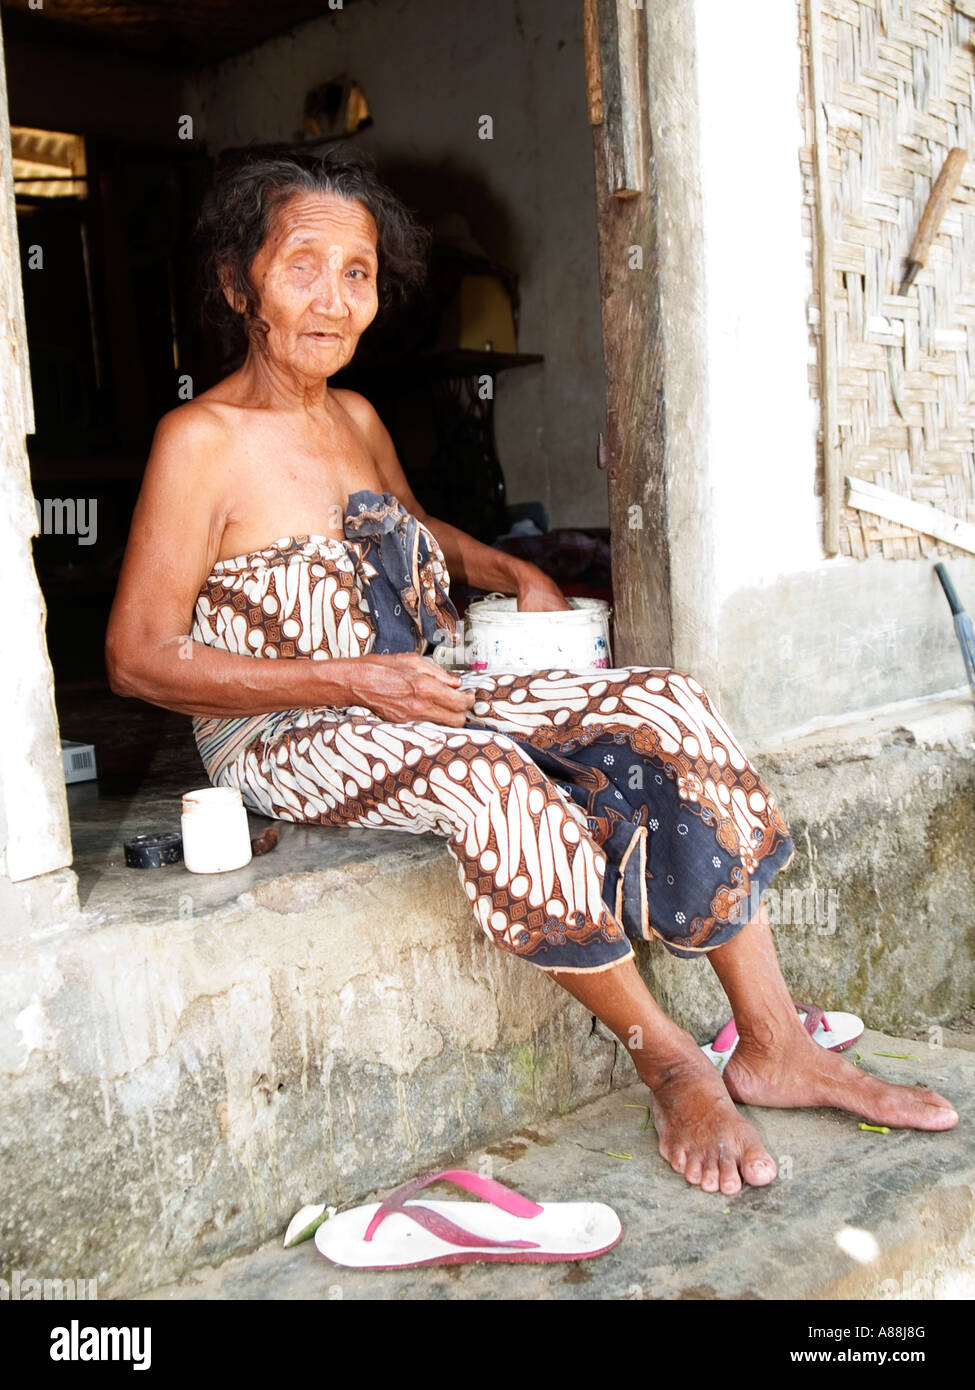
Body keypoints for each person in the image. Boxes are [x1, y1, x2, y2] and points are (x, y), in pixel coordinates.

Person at [105, 152, 957, 1199]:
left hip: (402, 690)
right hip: (283, 731)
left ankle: (775, 1040)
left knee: (664, 699)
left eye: (359, 273)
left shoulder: (356, 418)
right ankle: (669, 1056)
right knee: (495, 777)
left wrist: (514, 567)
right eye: (303, 268)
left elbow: (414, 529)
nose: (335, 300)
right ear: (241, 284)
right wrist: (357, 680)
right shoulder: (198, 438)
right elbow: (138, 657)